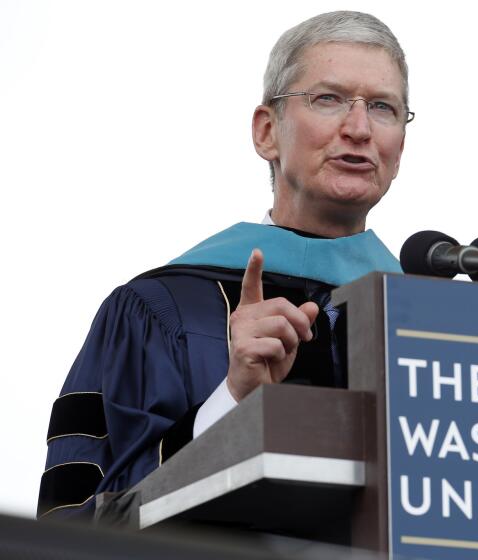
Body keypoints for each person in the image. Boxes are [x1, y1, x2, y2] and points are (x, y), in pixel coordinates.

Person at [38, 11, 412, 520]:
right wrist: (234, 401)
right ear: (267, 132)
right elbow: (72, 525)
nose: (360, 127)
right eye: (328, 98)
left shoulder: (430, 333)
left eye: (384, 107)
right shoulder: (160, 311)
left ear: (401, 143)